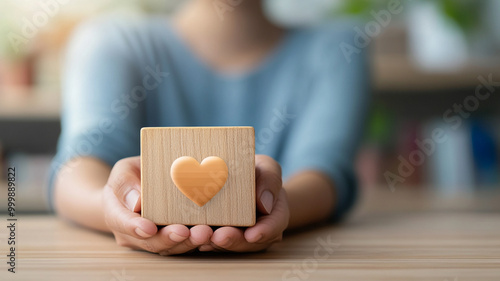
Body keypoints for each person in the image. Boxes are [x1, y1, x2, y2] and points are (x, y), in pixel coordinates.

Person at [50, 0, 369, 255]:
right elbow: (77, 166)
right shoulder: (110, 41)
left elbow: (326, 171)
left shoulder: (336, 47)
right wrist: (110, 209)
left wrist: (268, 209)